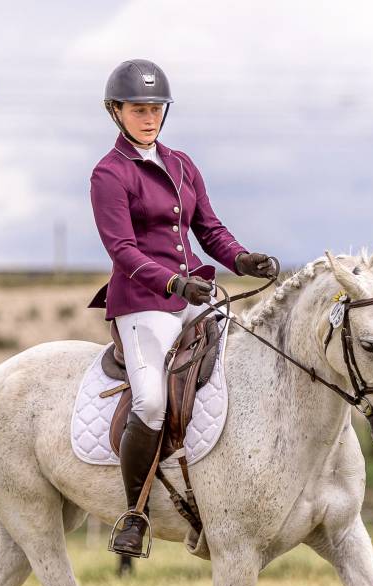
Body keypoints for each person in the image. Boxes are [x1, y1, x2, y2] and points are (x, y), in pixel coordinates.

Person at [88, 58, 278, 557]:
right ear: (116, 112)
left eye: (155, 108)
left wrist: (243, 257)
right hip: (143, 303)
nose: (148, 117)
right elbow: (122, 250)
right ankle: (135, 512)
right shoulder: (109, 173)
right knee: (151, 400)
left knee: (245, 365)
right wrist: (173, 281)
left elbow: (209, 229)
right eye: (138, 109)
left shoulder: (182, 164)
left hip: (193, 293)